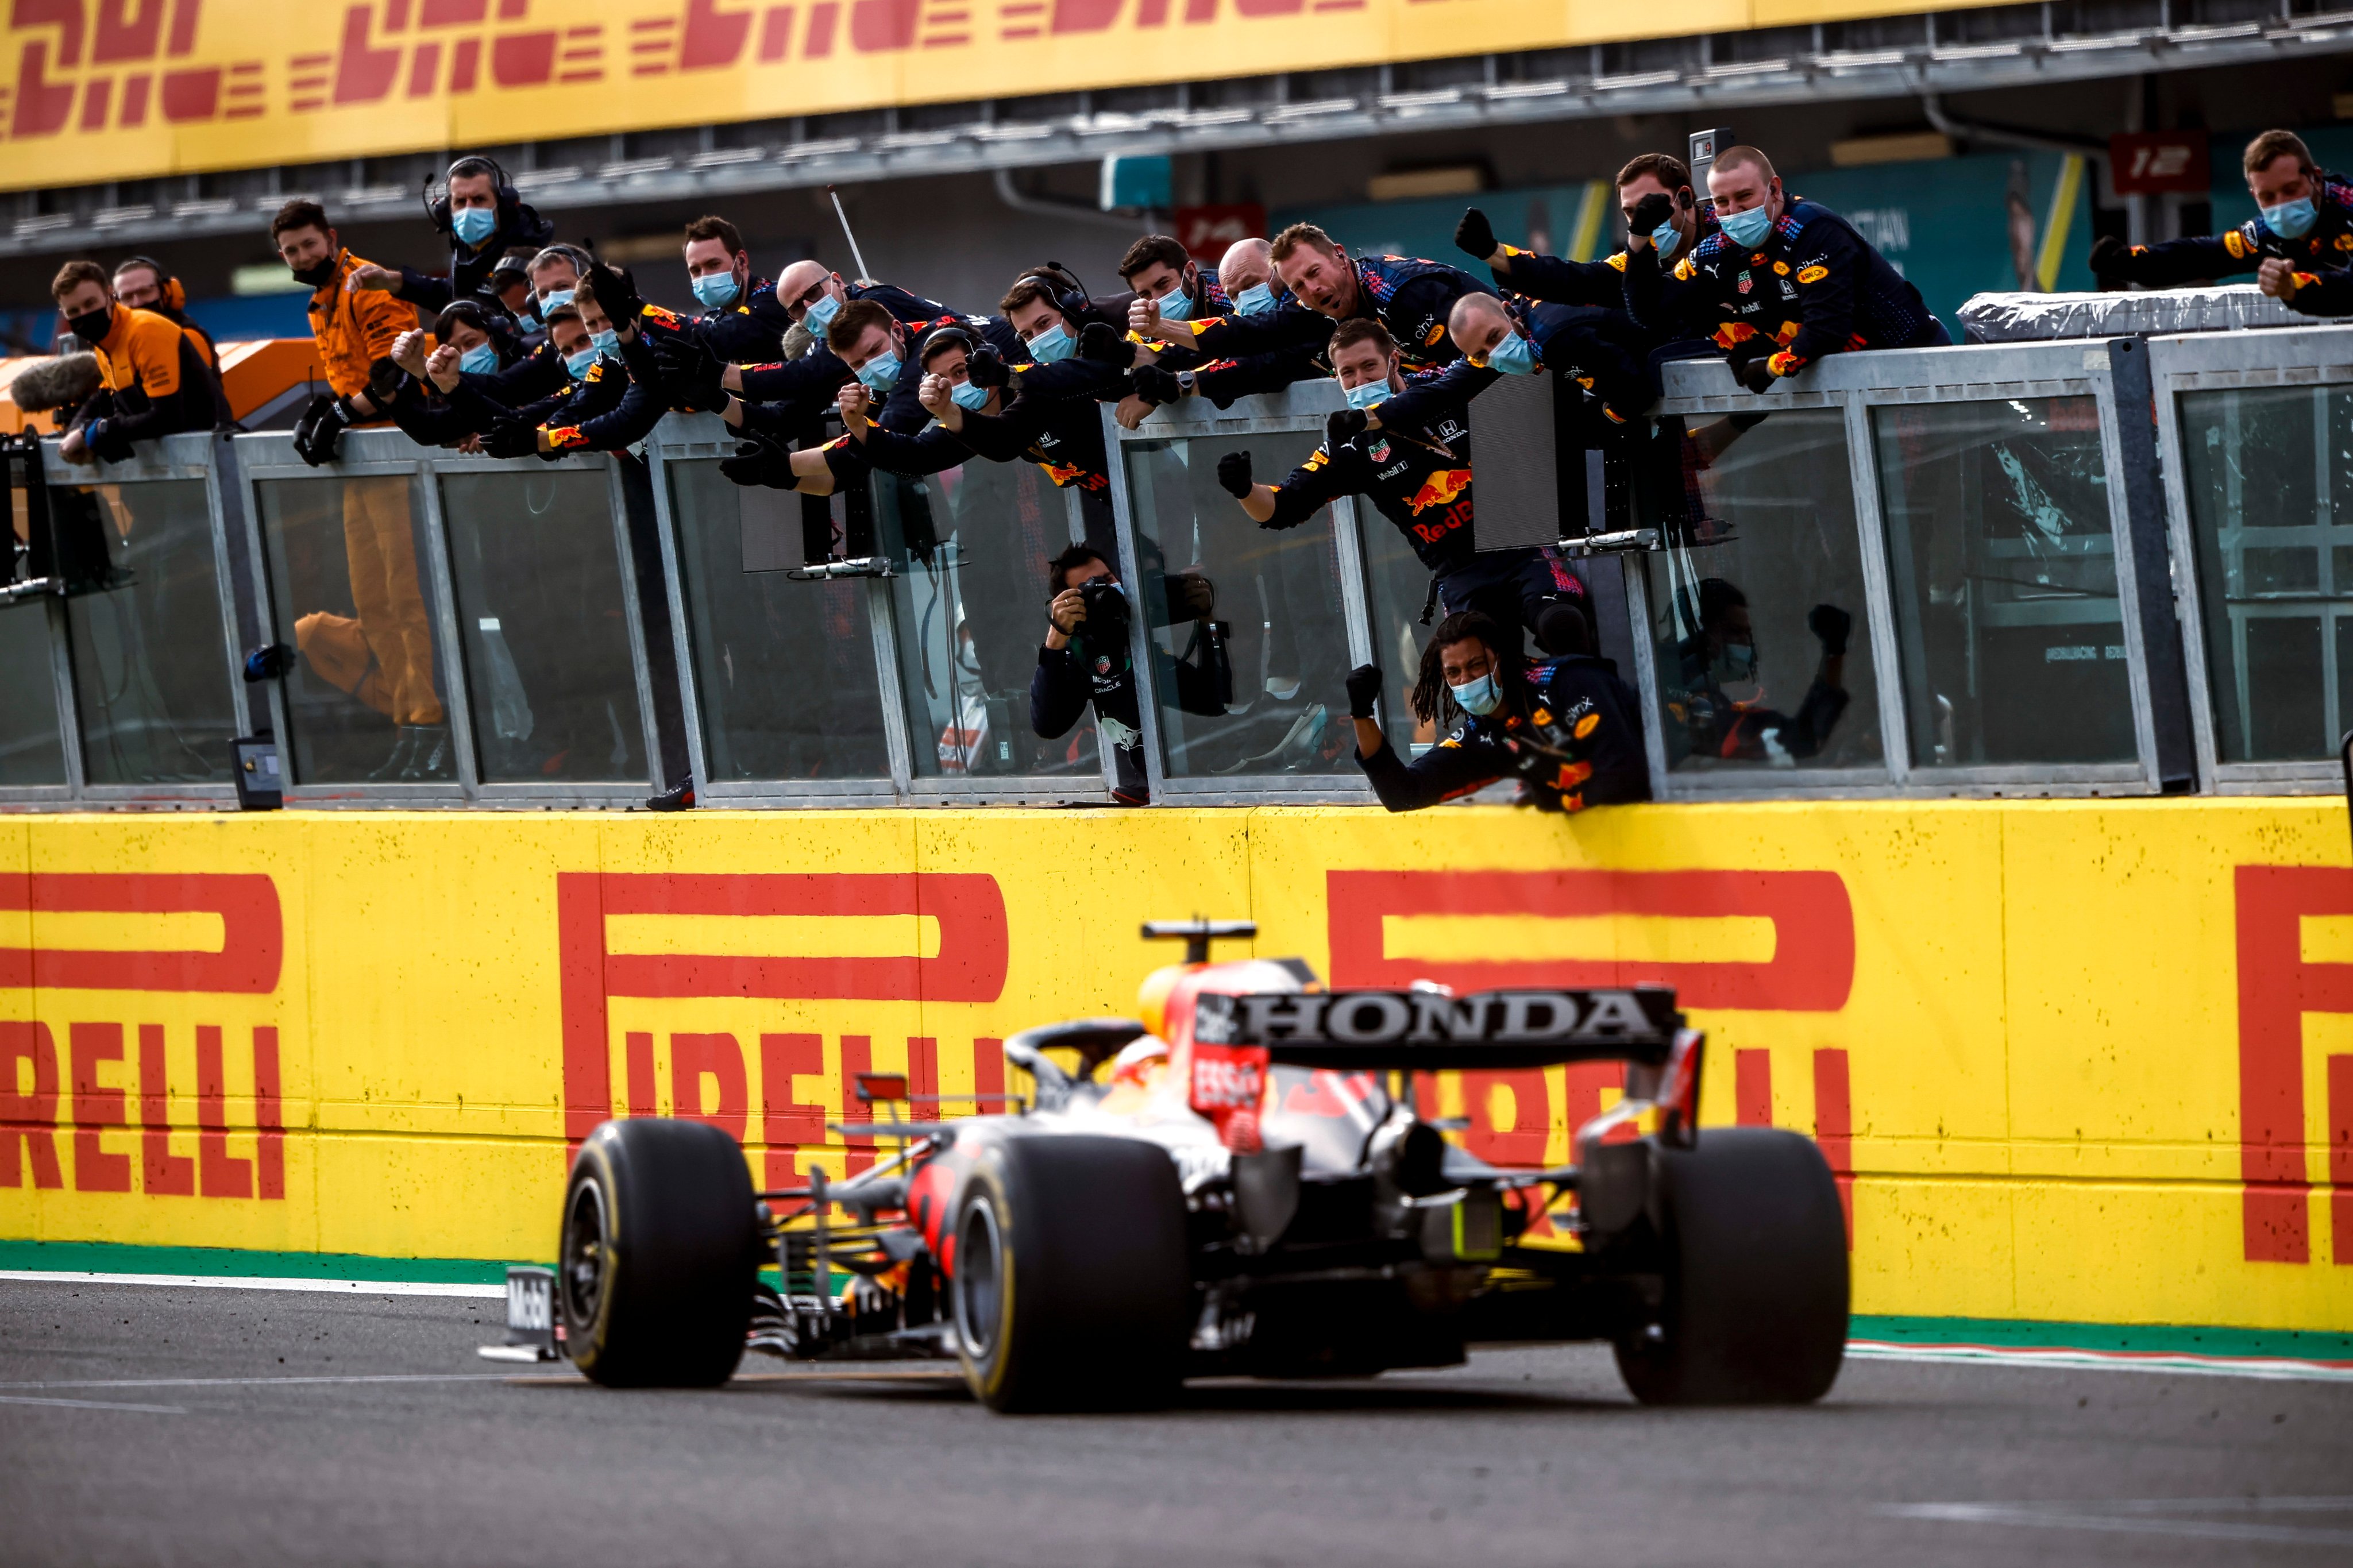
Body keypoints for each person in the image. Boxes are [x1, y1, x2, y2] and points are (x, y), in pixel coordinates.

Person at [1215, 318, 1586, 652]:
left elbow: (1502, 357)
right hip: (1459, 572)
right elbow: (1282, 509)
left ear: (1393, 361)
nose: (1360, 381)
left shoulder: (1443, 384)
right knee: (1482, 676)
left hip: (1521, 545)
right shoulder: (1348, 444)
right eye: (1348, 374)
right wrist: (1244, 489)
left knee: (1564, 626)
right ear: (1336, 378)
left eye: (1369, 368)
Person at [271, 196, 448, 779]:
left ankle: (432, 725)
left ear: (330, 237)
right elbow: (351, 381)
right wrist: (326, 413)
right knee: (372, 602)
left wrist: (341, 416)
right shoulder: (319, 303)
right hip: (363, 466)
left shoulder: (366, 285)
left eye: (308, 244)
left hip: (397, 455)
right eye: (291, 251)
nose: (301, 256)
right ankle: (407, 720)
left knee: (405, 597)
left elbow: (394, 373)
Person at [1642, 145, 1947, 393]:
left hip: (1913, 365)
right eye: (1722, 202)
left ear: (1774, 189)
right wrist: (1636, 240)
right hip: (1853, 382)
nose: (1734, 212)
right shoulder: (1719, 246)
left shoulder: (1813, 228)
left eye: (1744, 197)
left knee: (1929, 471)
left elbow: (1827, 328)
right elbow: (1651, 307)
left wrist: (1770, 367)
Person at [1347, 610, 1648, 812]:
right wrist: (1362, 714)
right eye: (1453, 672)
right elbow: (1402, 794)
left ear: (1499, 659)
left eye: (1475, 665)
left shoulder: (1569, 681)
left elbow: (1624, 776)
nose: (1465, 680)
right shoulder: (1482, 736)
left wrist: (1550, 798)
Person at [1135, 222, 1496, 378]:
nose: (1312, 290)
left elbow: (1482, 362)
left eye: (1314, 272)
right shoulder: (1317, 306)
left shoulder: (1403, 294)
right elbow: (1251, 333)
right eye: (1298, 286)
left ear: (1339, 256)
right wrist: (1160, 330)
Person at [1030, 544, 1230, 804]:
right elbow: (1048, 725)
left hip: (1207, 781)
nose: (1103, 590)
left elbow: (1214, 701)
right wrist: (1056, 638)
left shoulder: (1141, 632)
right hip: (1155, 794)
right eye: (1088, 589)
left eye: (1108, 580)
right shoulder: (1082, 655)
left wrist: (1207, 623)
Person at [2094, 130, 2353, 292]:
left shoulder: (2348, 206)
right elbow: (2202, 255)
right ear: (2254, 196)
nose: (2281, 204)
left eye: (2291, 190)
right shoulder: (2263, 235)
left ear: (2316, 178)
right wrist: (2129, 261)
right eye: (2268, 197)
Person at [48, 260, 221, 465]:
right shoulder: (105, 345)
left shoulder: (146, 331)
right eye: (74, 311)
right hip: (174, 465)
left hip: (203, 463)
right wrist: (78, 430)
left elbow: (168, 418)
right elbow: (105, 401)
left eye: (90, 303)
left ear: (109, 295)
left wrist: (100, 430)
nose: (85, 315)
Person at [1667, 578, 1851, 765]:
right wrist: (1834, 654)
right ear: (1703, 632)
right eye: (1734, 632)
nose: (1745, 642)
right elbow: (1804, 743)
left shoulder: (1733, 701)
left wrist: (1834, 653)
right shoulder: (1681, 696)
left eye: (1747, 634)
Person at [348, 155, 553, 313]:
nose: (469, 209)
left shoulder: (529, 260)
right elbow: (452, 296)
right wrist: (389, 280)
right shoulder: (468, 249)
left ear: (504, 206)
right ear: (447, 210)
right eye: (460, 202)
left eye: (479, 199)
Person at [681, 215, 796, 362]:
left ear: (742, 261)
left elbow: (722, 335)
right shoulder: (714, 318)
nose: (705, 277)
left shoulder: (776, 299)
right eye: (696, 271)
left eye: (714, 265)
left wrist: (648, 314)